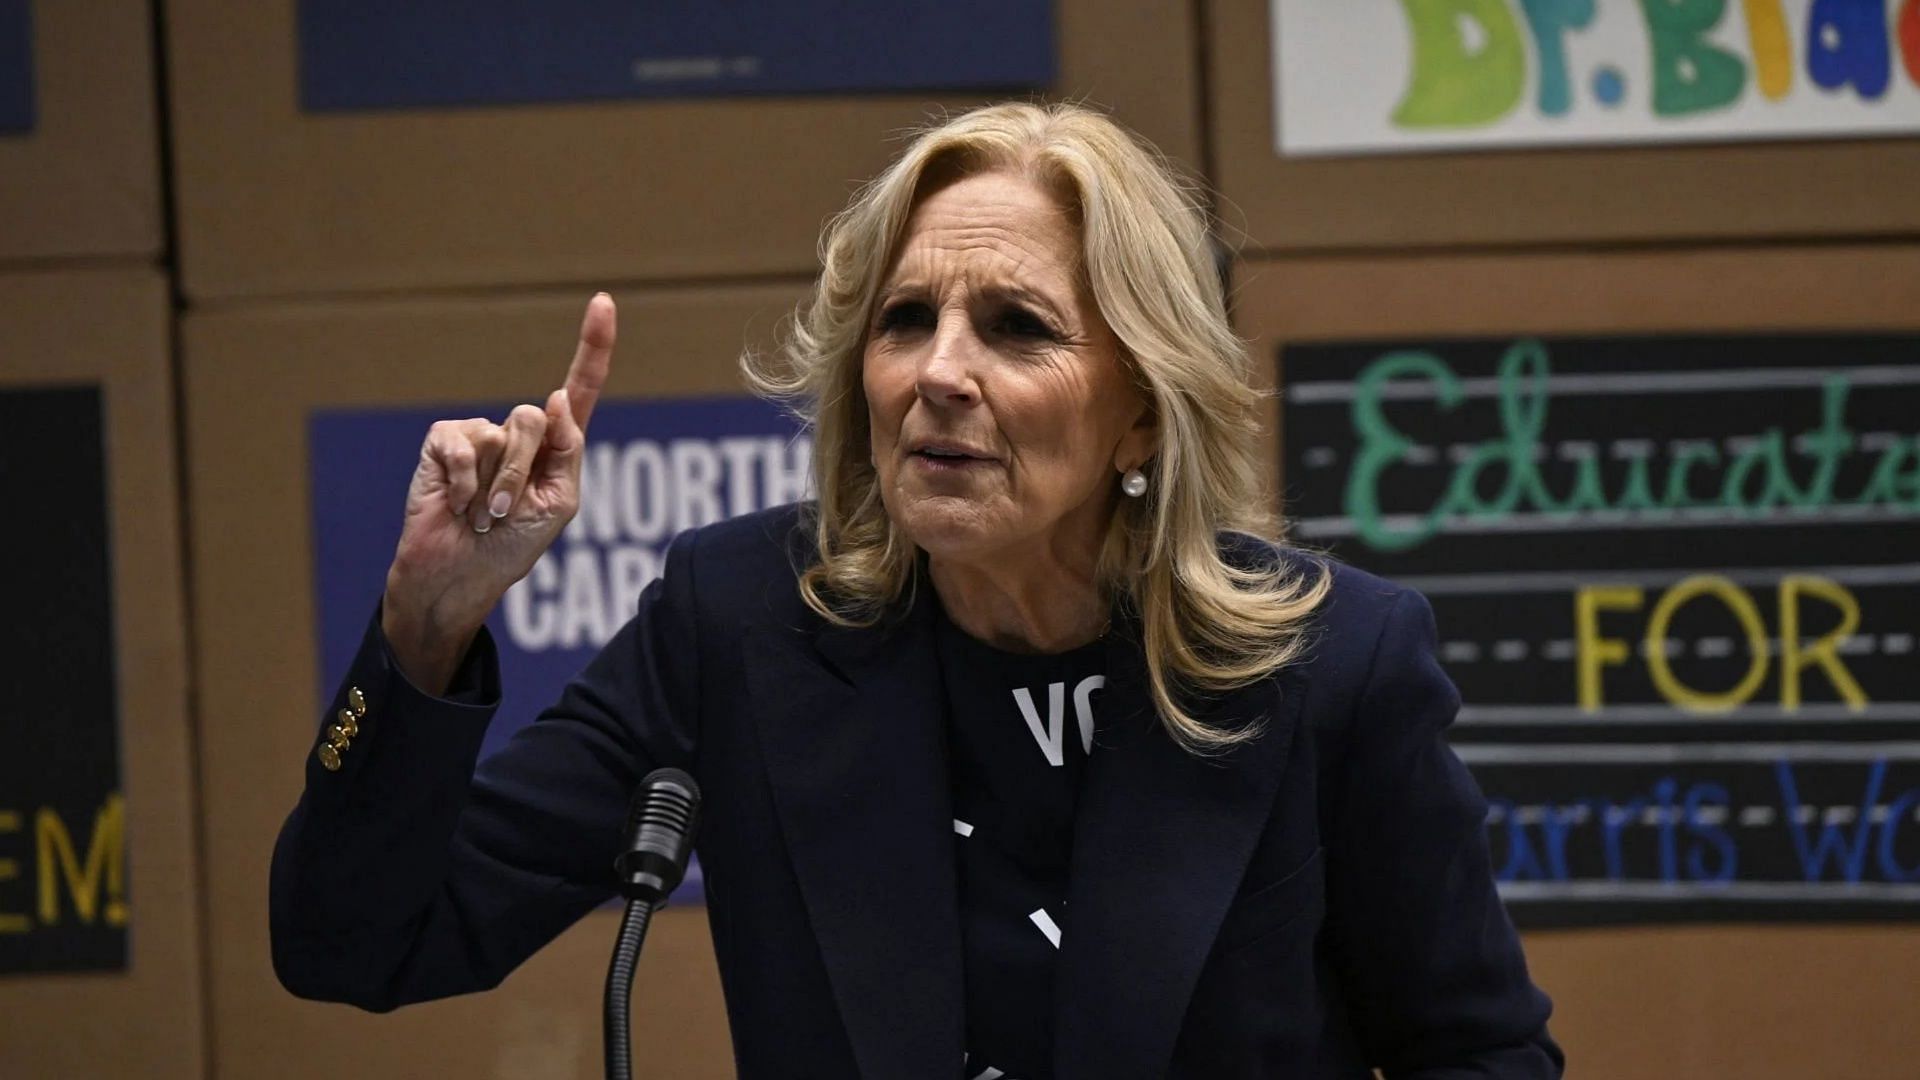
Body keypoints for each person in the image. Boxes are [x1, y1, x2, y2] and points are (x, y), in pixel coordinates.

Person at [270, 102, 1563, 1079]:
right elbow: (356, 944)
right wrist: (427, 628)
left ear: (1142, 417)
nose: (939, 371)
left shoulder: (1334, 670)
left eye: (1017, 327)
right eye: (904, 322)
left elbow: (1485, 1058)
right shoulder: (741, 626)